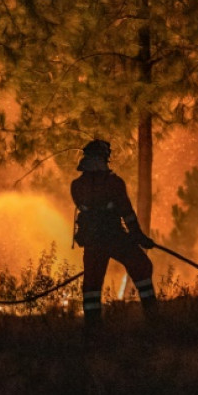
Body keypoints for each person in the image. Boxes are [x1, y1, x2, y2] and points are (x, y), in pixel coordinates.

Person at [71, 139, 157, 329]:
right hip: (114, 238)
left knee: (92, 284)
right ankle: (153, 318)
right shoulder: (114, 183)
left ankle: (92, 327)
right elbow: (127, 214)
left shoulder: (76, 186)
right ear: (103, 158)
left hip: (92, 242)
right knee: (142, 266)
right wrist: (139, 237)